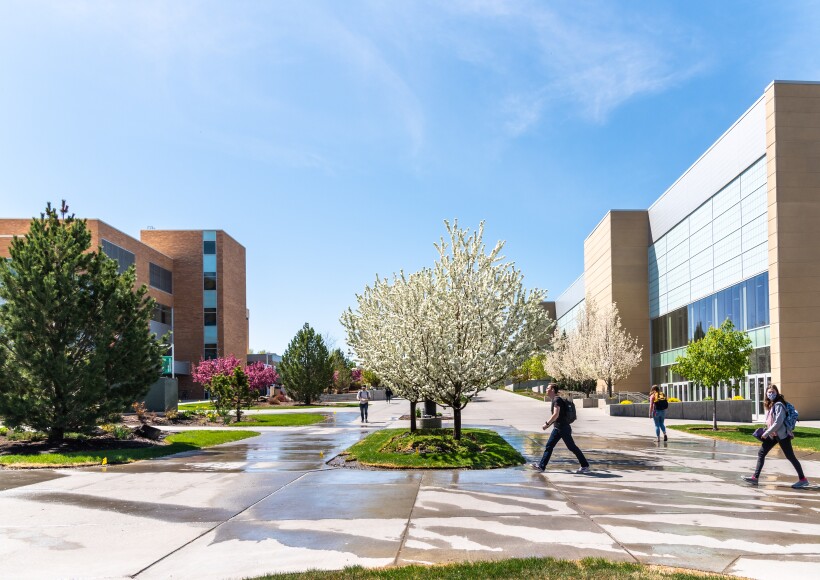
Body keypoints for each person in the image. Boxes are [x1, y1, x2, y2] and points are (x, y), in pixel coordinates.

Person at [743, 384, 810, 488]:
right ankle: (755, 478)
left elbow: (778, 422)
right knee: (761, 453)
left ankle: (803, 479)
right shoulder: (772, 404)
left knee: (790, 457)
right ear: (766, 393)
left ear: (777, 393)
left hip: (782, 435)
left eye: (773, 392)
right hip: (774, 435)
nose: (771, 394)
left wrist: (766, 433)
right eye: (769, 392)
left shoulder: (779, 404)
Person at [530, 383, 590, 473]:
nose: (546, 389)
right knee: (549, 446)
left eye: (548, 388)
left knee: (572, 447)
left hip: (563, 428)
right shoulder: (555, 399)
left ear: (553, 390)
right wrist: (550, 425)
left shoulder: (556, 400)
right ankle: (541, 466)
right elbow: (557, 416)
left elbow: (556, 414)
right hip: (558, 428)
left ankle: (585, 465)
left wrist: (546, 424)